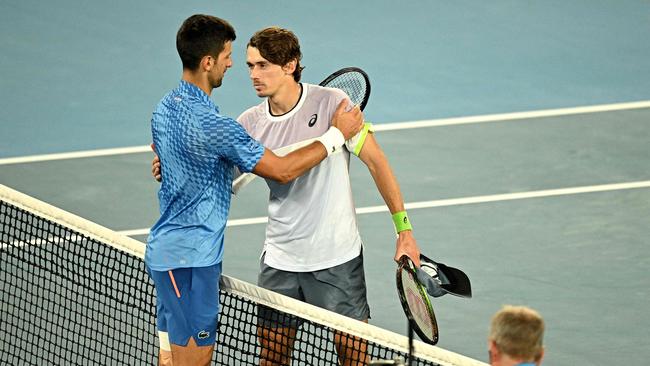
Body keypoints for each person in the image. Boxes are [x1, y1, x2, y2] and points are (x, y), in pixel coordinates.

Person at [146, 15, 363, 366]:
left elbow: (171, 159)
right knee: (192, 362)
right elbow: (281, 170)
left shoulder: (166, 108)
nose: (233, 65)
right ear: (208, 62)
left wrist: (167, 167)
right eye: (228, 56)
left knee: (171, 360)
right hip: (191, 260)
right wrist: (336, 135)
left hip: (168, 256)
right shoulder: (218, 126)